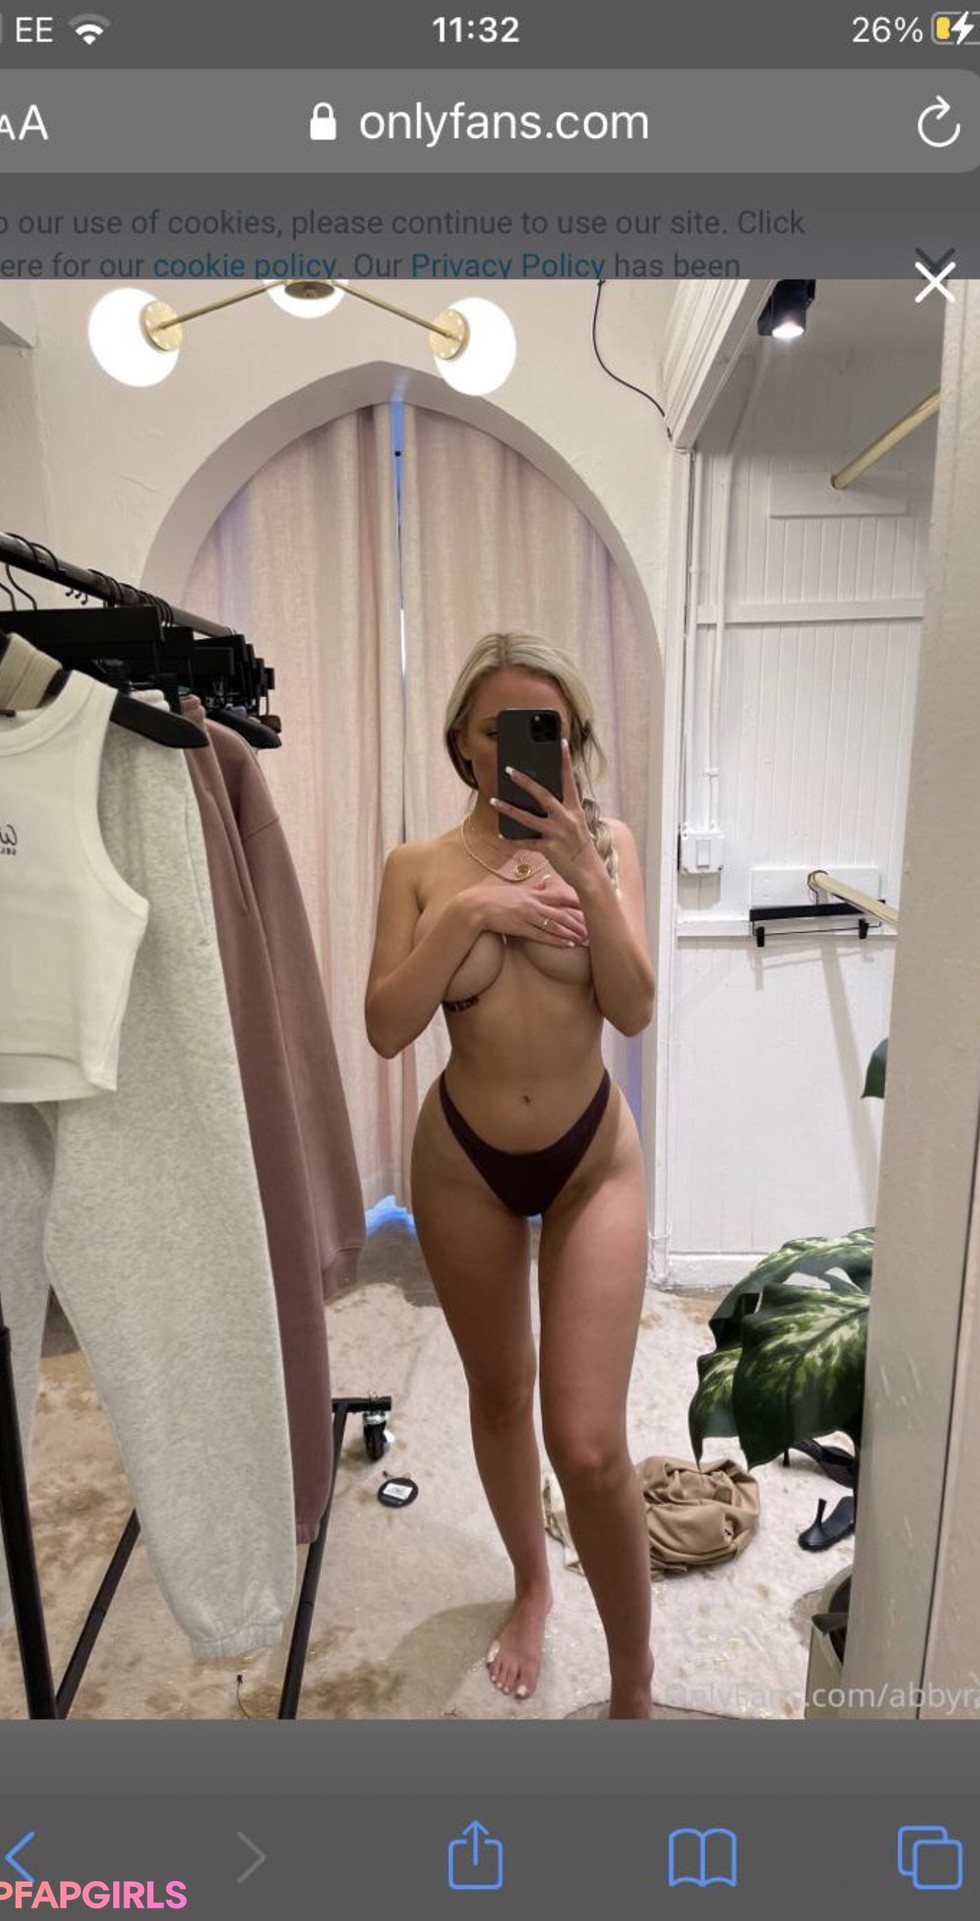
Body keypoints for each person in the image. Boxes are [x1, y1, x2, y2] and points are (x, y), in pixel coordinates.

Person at [364, 632, 656, 1719]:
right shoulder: (419, 867)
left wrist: (585, 873)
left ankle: (634, 1679)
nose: (529, 748)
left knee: (587, 1442)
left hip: (592, 1162)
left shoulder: (611, 845)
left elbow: (633, 1007)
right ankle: (532, 1585)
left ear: (575, 742)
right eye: (502, 728)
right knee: (499, 1393)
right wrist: (468, 914)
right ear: (463, 742)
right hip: (465, 1164)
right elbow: (387, 1026)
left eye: (552, 730)